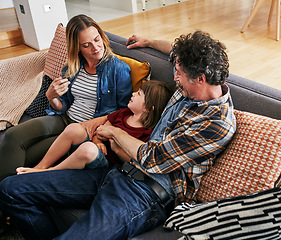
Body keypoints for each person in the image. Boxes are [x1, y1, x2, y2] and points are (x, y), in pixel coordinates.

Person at [0, 30, 236, 239]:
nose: (175, 78)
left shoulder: (216, 123)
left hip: (144, 195)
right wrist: (150, 42)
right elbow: (176, 51)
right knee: (10, 189)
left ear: (201, 79)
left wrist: (113, 131)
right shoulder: (194, 82)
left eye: (179, 74)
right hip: (116, 173)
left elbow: (152, 158)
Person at [0, 14, 133, 181]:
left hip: (84, 131)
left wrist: (95, 125)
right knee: (13, 135)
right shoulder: (73, 66)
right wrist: (52, 97)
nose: (96, 48)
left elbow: (124, 111)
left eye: (97, 39)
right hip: (63, 119)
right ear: (77, 48)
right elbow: (63, 105)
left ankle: (10, 192)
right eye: (86, 45)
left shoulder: (118, 69)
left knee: (27, 156)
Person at [16, 81, 173, 173]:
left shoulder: (147, 132)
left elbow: (134, 159)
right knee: (74, 129)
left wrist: (117, 148)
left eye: (139, 94)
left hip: (106, 165)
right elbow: (104, 126)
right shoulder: (124, 113)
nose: (133, 93)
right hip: (96, 148)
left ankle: (47, 172)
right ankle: (40, 166)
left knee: (88, 148)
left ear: (148, 108)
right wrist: (97, 140)